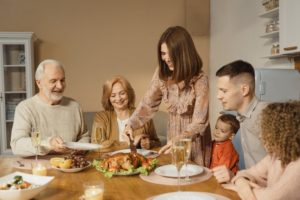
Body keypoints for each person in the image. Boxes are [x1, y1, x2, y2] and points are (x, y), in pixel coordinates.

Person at [125, 26, 212, 166]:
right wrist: (131, 124)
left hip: (193, 144)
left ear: (183, 53)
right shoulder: (161, 74)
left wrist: (180, 139)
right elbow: (148, 103)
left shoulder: (200, 80)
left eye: (170, 53)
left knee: (194, 182)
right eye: (163, 53)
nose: (166, 58)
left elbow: (199, 122)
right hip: (172, 141)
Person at [222, 101, 300, 200]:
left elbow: (270, 197)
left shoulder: (297, 167)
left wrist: (239, 189)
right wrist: (242, 183)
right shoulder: (274, 157)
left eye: (267, 131)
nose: (261, 136)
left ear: (284, 135)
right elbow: (246, 173)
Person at [11, 59, 89, 156]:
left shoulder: (74, 106)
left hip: (70, 165)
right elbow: (17, 145)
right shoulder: (25, 108)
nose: (60, 86)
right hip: (37, 167)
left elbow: (84, 136)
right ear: (39, 83)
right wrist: (48, 144)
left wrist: (80, 148)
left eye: (62, 80)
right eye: (53, 81)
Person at [212, 60, 268, 182]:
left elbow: (284, 168)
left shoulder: (265, 116)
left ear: (244, 90)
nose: (218, 96)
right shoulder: (242, 116)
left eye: (224, 91)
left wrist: (237, 179)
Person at [91, 76, 161, 151]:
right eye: (113, 95)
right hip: (111, 161)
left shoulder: (142, 114)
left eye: (122, 93)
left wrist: (149, 143)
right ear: (108, 98)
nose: (118, 99)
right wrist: (130, 143)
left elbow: (157, 143)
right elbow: (96, 145)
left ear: (129, 94)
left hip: (138, 160)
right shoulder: (101, 117)